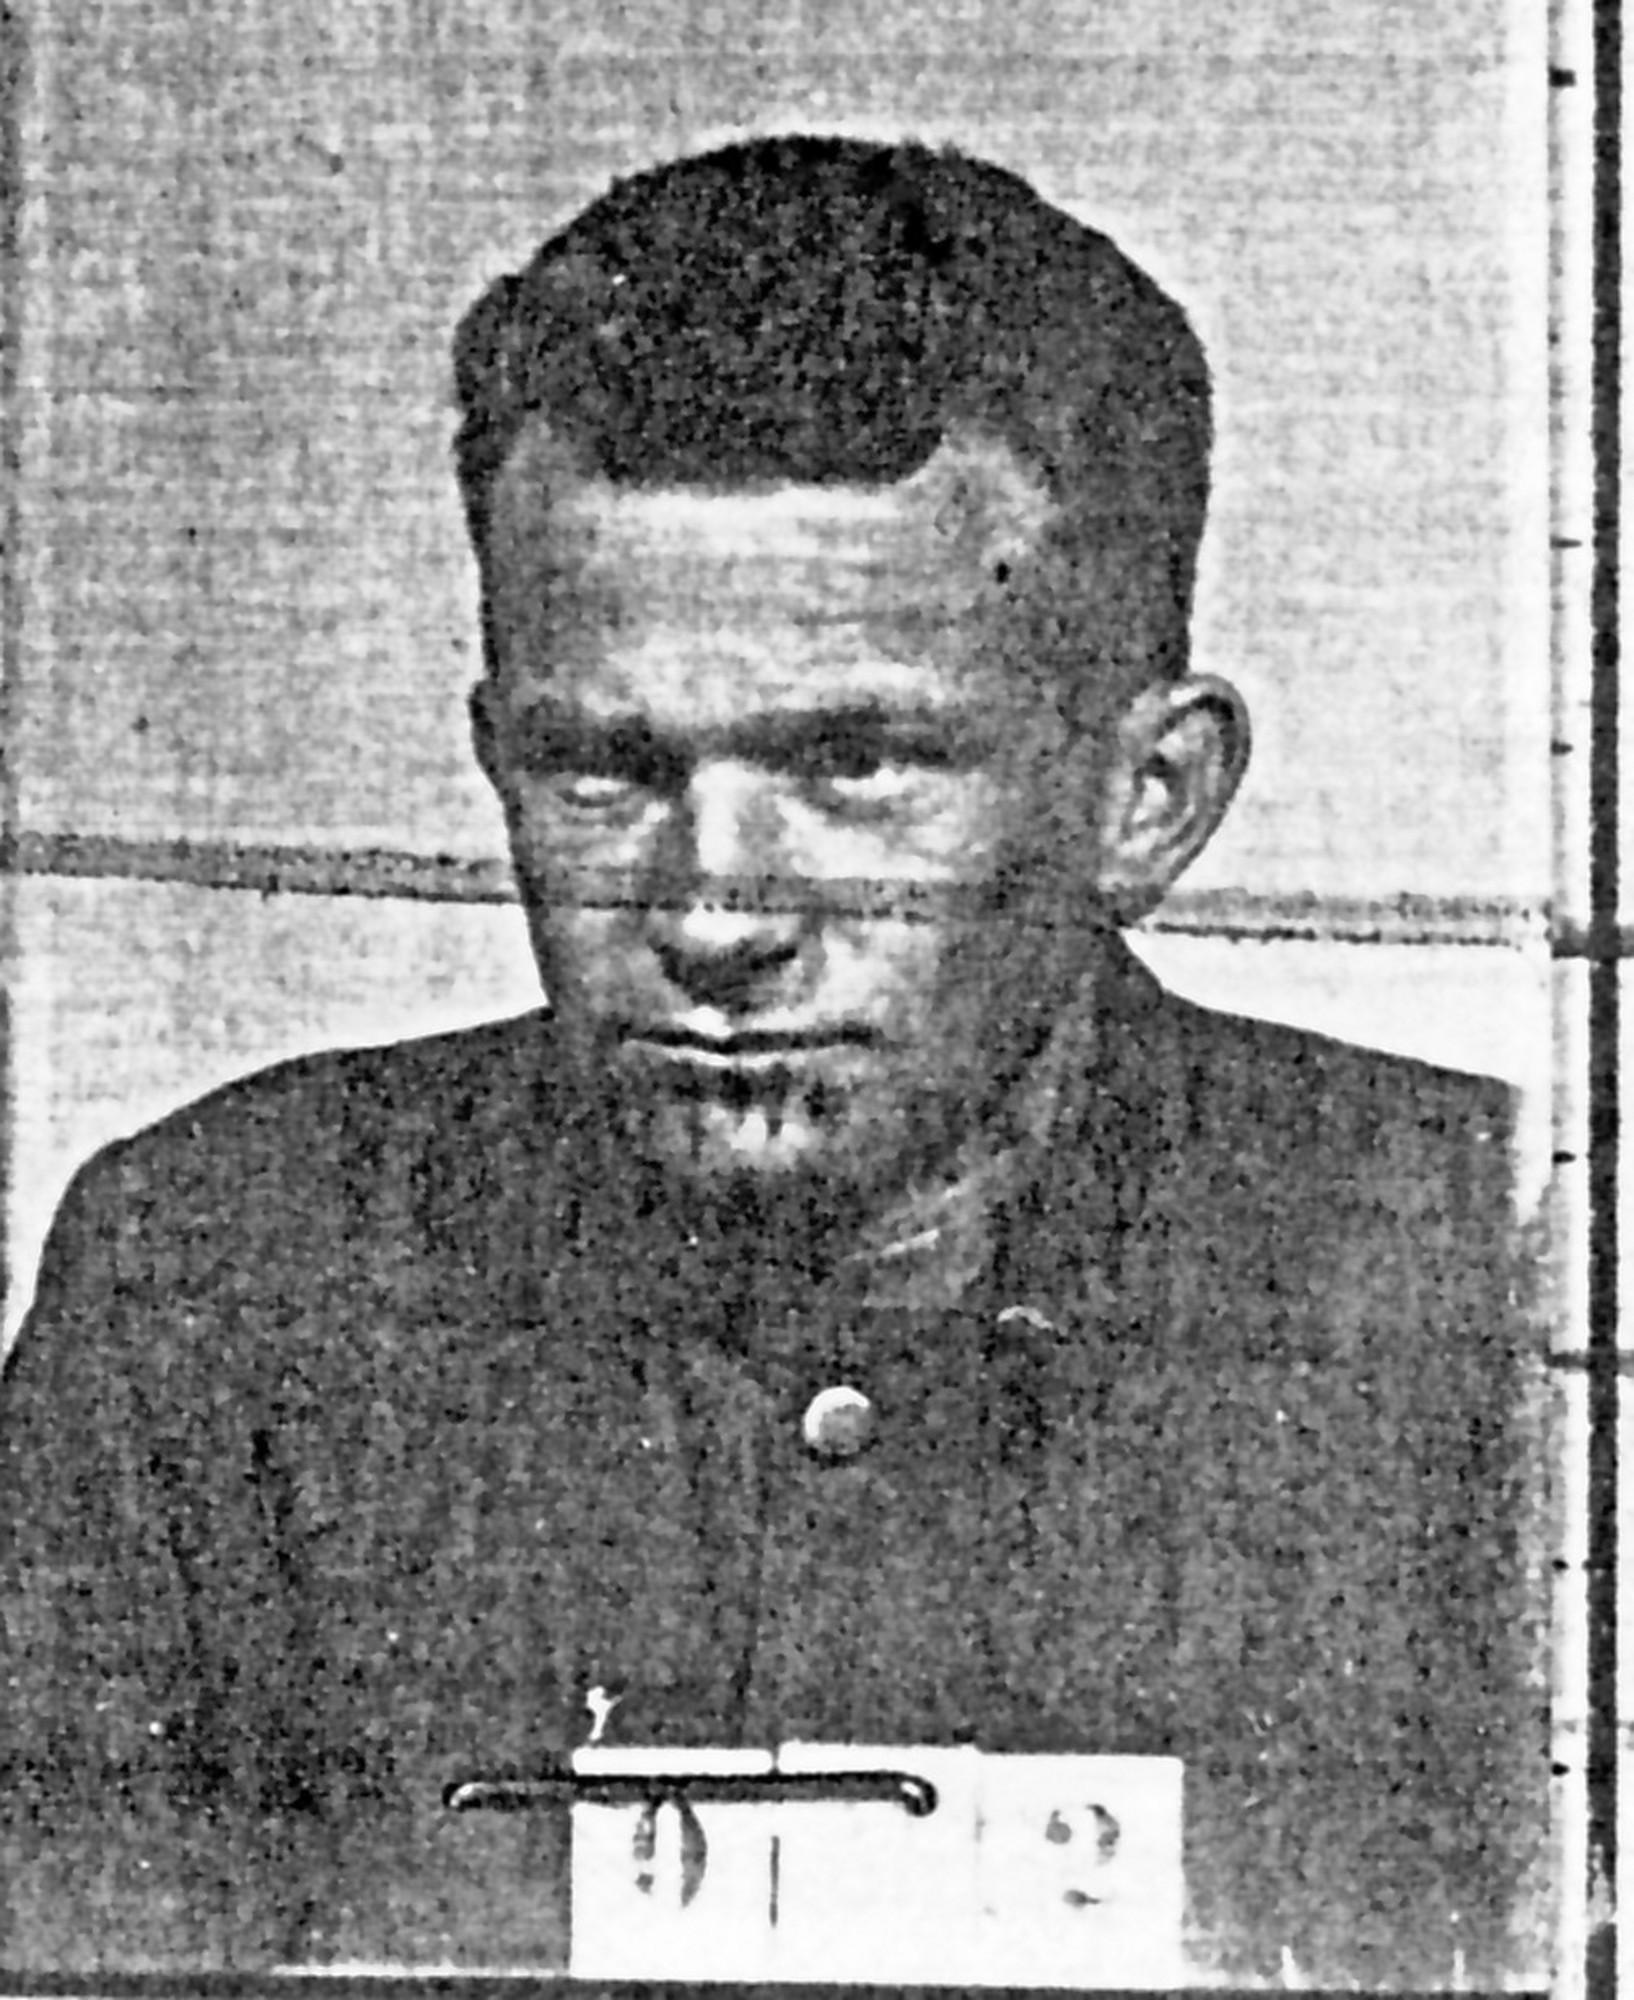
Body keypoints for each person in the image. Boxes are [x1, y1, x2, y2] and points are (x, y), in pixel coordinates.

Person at [0, 135, 1546, 1983]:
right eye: (605, 771)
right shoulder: (221, 1276)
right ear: (495, 755)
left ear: (1148, 796)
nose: (713, 911)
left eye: (855, 766)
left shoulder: (1494, 1271)